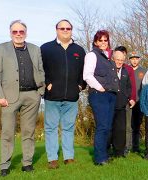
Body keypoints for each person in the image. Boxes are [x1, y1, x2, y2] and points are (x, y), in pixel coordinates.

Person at [0, 20, 45, 176]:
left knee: (29, 132)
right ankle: (4, 166)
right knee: (7, 133)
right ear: (10, 33)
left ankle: (27, 163)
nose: (18, 34)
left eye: (21, 31)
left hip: (32, 96)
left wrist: (40, 92)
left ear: (25, 33)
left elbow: (41, 71)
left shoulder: (35, 49)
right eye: (15, 32)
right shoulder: (1, 48)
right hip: (9, 98)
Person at [40, 19, 86, 169]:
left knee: (68, 127)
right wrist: (47, 84)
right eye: (62, 28)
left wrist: (80, 85)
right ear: (56, 30)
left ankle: (68, 157)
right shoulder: (46, 48)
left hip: (72, 97)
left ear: (71, 30)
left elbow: (83, 72)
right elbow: (40, 70)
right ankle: (52, 158)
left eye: (68, 28)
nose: (65, 30)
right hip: (52, 97)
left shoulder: (79, 50)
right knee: (51, 128)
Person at [83, 30, 119, 165]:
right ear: (95, 42)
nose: (103, 42)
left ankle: (104, 155)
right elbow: (87, 75)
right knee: (102, 126)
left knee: (108, 127)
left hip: (110, 94)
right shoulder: (92, 55)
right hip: (99, 95)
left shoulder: (108, 57)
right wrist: (100, 88)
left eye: (105, 40)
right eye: (100, 40)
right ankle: (99, 158)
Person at [112, 46, 137, 154]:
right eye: (118, 58)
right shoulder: (110, 67)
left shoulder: (128, 69)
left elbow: (131, 86)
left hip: (125, 101)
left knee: (126, 126)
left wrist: (132, 98)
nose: (120, 61)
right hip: (112, 101)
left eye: (123, 56)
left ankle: (125, 147)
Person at [127, 50, 145, 154]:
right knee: (128, 125)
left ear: (139, 59)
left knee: (137, 126)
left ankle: (136, 146)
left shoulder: (144, 71)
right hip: (129, 102)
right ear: (130, 60)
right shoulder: (126, 70)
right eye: (132, 59)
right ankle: (128, 146)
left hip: (140, 102)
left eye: (136, 58)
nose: (134, 61)